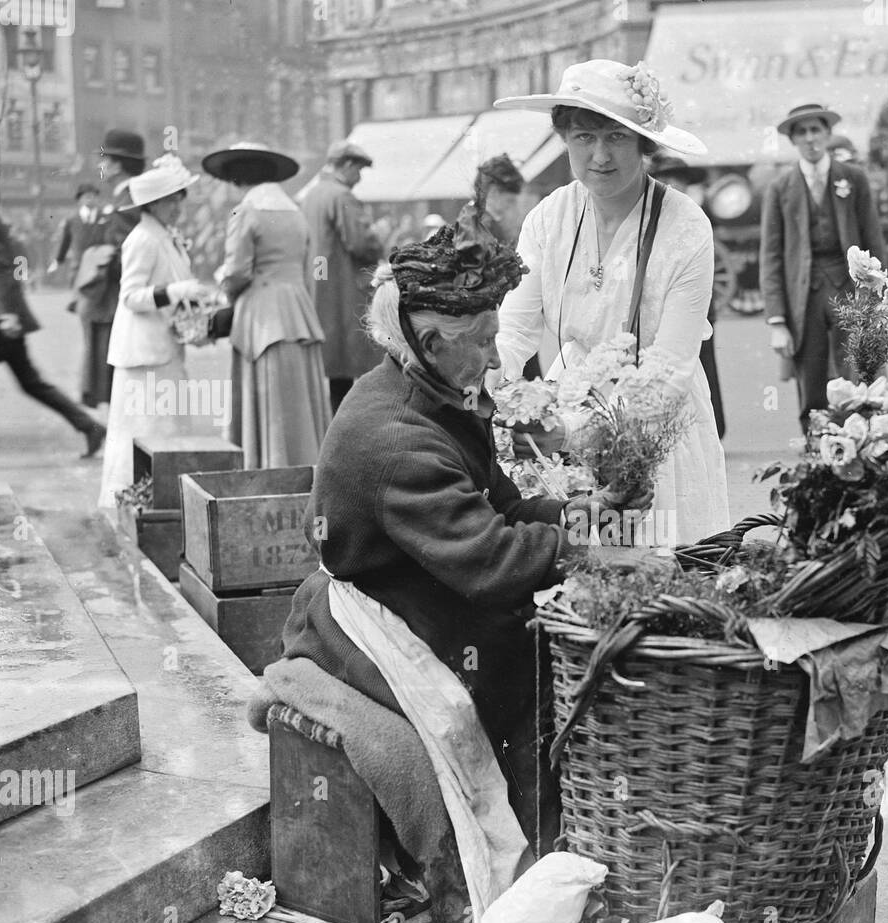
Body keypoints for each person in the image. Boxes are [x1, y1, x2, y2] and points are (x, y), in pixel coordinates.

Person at [278, 207, 653, 872]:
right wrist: (583, 547)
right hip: (378, 616)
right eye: (480, 341)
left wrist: (585, 512)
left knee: (544, 642)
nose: (492, 355)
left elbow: (505, 507)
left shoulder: (439, 396)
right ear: (427, 339)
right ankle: (535, 853)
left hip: (426, 577)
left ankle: (568, 827)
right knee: (524, 661)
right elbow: (491, 563)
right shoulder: (391, 436)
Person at [492, 59, 730, 545]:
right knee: (572, 572)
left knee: (654, 567)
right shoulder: (548, 219)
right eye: (583, 136)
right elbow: (513, 330)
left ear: (644, 144)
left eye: (616, 137)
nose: (599, 155)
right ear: (564, 139)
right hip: (566, 401)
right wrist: (489, 396)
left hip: (655, 427)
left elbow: (670, 367)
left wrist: (574, 432)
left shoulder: (685, 228)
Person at [99, 154, 220, 508]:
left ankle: (159, 500)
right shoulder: (142, 239)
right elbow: (131, 295)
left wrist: (195, 298)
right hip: (144, 351)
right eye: (171, 200)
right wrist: (173, 293)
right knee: (143, 428)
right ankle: (133, 500)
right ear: (154, 204)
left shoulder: (164, 237)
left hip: (162, 347)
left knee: (165, 426)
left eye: (179, 198)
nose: (178, 206)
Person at [760, 102, 886, 433]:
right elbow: (771, 255)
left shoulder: (853, 180)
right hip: (805, 293)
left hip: (848, 287)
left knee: (857, 368)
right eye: (801, 132)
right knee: (812, 371)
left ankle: (857, 437)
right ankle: (816, 441)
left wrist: (875, 294)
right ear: (793, 140)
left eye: (816, 130)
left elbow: (874, 239)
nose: (810, 139)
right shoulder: (780, 188)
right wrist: (777, 320)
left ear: (828, 134)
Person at [204, 142, 329, 469]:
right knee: (299, 402)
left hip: (260, 317)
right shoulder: (295, 212)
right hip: (298, 312)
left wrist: (226, 294)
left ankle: (265, 467)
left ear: (239, 179)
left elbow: (237, 272)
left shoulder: (245, 211)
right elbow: (307, 271)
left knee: (266, 399)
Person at [0, 166, 106, 470]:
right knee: (33, 383)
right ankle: (89, 426)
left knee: (29, 383)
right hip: (1, 323)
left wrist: (6, 314)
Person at [298, 140, 382, 413]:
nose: (358, 178)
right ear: (346, 166)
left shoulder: (311, 196)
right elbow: (361, 243)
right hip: (344, 290)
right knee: (358, 364)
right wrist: (378, 243)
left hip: (320, 289)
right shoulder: (342, 197)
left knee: (337, 373)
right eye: (358, 170)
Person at [649, 151, 725, 438]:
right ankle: (673, 430)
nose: (673, 186)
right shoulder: (647, 217)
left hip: (696, 302)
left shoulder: (697, 216)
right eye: (666, 180)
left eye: (678, 180)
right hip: (659, 304)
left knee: (703, 366)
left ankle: (711, 427)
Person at [73, 129, 147, 409]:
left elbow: (129, 251)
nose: (101, 166)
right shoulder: (124, 196)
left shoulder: (127, 198)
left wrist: (100, 261)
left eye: (105, 160)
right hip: (113, 293)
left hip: (117, 294)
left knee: (117, 365)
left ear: (118, 164)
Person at [49, 183, 104, 285]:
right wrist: (58, 261)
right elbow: (65, 242)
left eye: (92, 196)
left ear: (97, 198)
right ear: (79, 199)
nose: (89, 199)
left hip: (101, 266)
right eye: (86, 196)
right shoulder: (71, 221)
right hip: (79, 266)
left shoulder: (105, 217)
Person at [474, 154, 526, 246]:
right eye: (509, 200)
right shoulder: (485, 226)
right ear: (494, 192)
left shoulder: (474, 219)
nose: (511, 206)